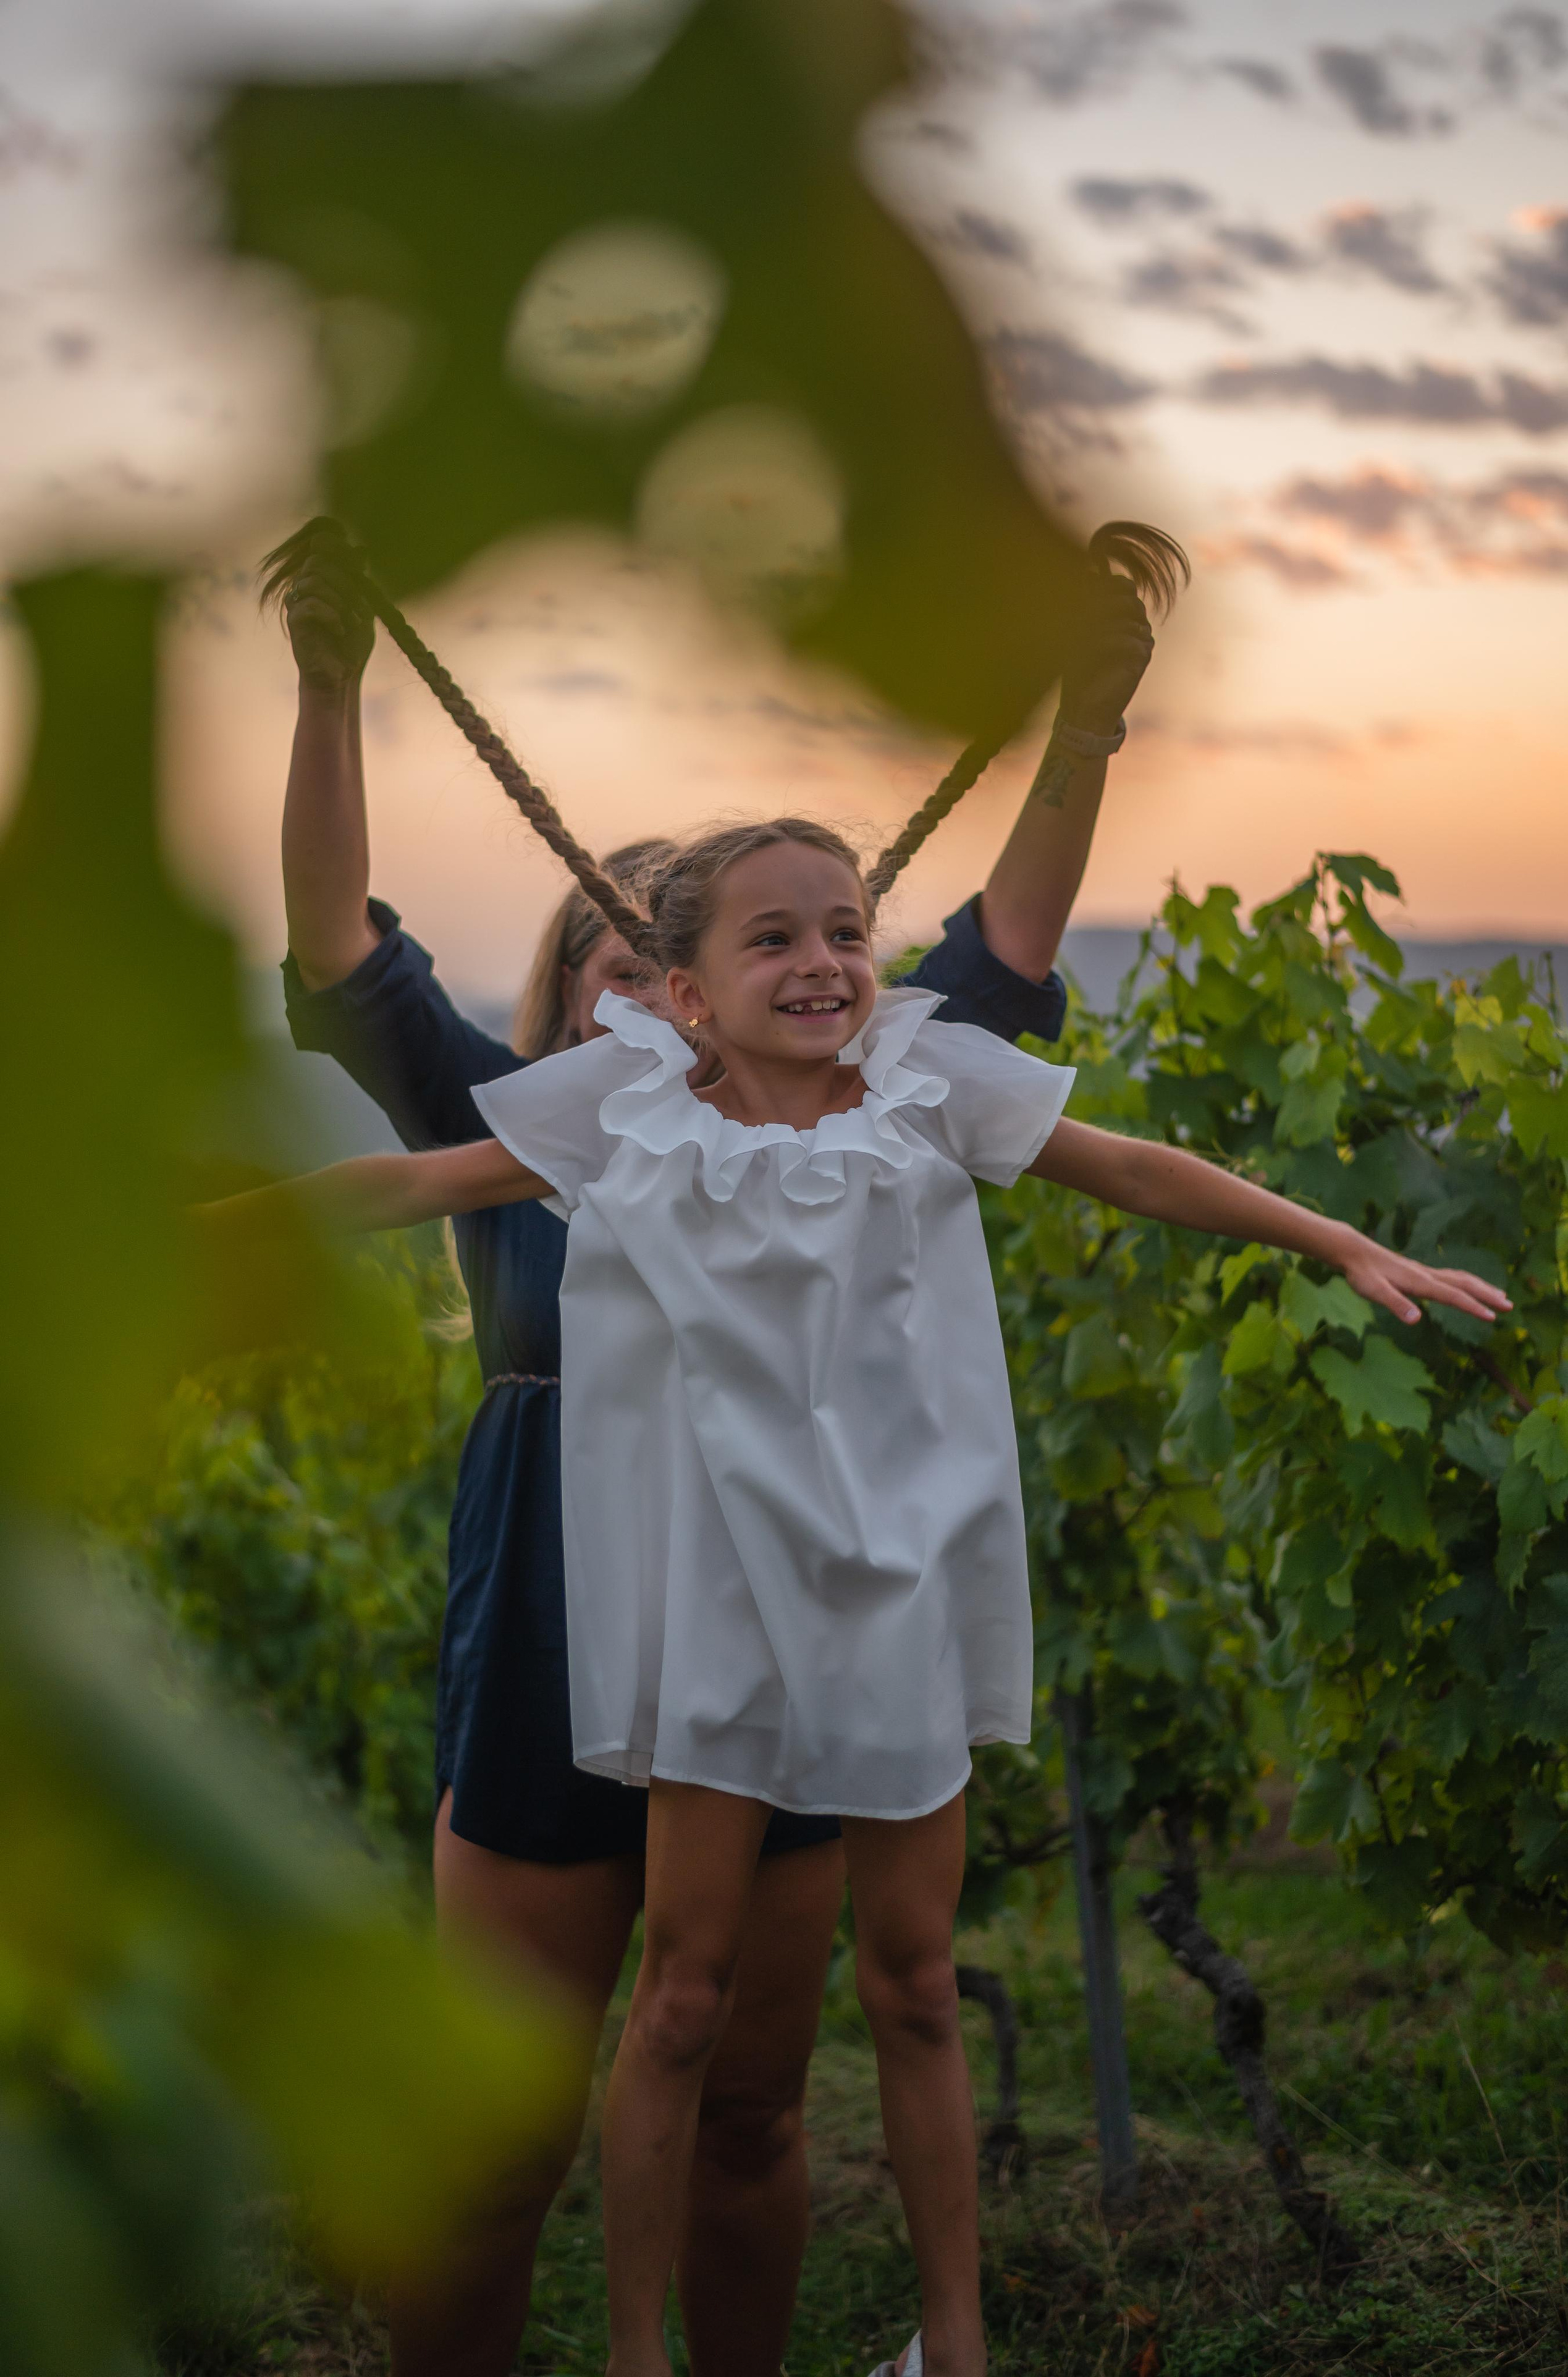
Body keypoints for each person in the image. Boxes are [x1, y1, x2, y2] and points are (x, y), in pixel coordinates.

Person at [214, 811, 1509, 2377]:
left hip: (892, 1603)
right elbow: (413, 1177)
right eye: (771, 938)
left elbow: (1132, 1166)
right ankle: (638, 2354)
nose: (823, 962)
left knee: (911, 1986)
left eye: (844, 930)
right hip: (703, 1616)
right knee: (680, 2008)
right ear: (680, 995)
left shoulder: (926, 1080)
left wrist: (1337, 1238)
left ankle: (951, 2346)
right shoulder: (627, 1109)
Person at [270, 536, 1160, 2377]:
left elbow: (1000, 943)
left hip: (782, 1644)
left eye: (678, 981)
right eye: (612, 982)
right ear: (581, 1012)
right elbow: (334, 937)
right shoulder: (517, 1116)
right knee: (499, 2148)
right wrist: (330, 679)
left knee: (753, 2107)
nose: (654, 1020)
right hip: (549, 1639)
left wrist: (1088, 719)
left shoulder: (852, 1079)